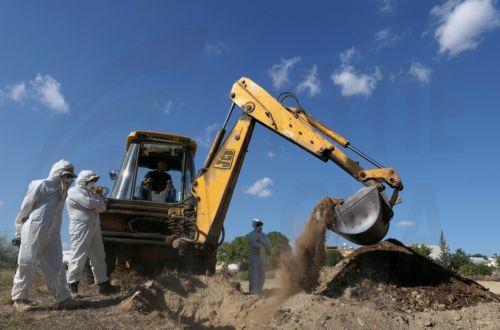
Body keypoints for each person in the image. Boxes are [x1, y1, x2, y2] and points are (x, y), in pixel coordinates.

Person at [11, 159, 81, 312]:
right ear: (57, 174)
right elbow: (25, 208)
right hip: (34, 229)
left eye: (70, 177)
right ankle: (19, 298)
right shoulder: (40, 184)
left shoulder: (63, 192)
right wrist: (18, 231)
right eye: (65, 175)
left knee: (56, 265)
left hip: (53, 233)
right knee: (27, 262)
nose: (68, 179)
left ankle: (62, 298)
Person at [66, 170, 120, 296]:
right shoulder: (73, 191)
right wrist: (98, 203)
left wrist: (97, 203)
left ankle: (103, 284)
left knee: (99, 255)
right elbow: (90, 203)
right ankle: (72, 286)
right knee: (79, 255)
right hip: (80, 227)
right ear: (84, 180)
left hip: (95, 227)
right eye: (92, 180)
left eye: (94, 180)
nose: (94, 182)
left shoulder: (92, 193)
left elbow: (103, 207)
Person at [246, 219, 270, 294]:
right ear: (254, 226)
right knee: (254, 274)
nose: (260, 226)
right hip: (254, 257)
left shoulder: (263, 235)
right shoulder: (250, 235)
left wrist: (260, 240)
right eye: (258, 224)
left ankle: (260, 290)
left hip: (262, 256)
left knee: (262, 274)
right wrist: (262, 244)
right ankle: (253, 291)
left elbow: (269, 242)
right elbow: (254, 244)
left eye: (260, 224)